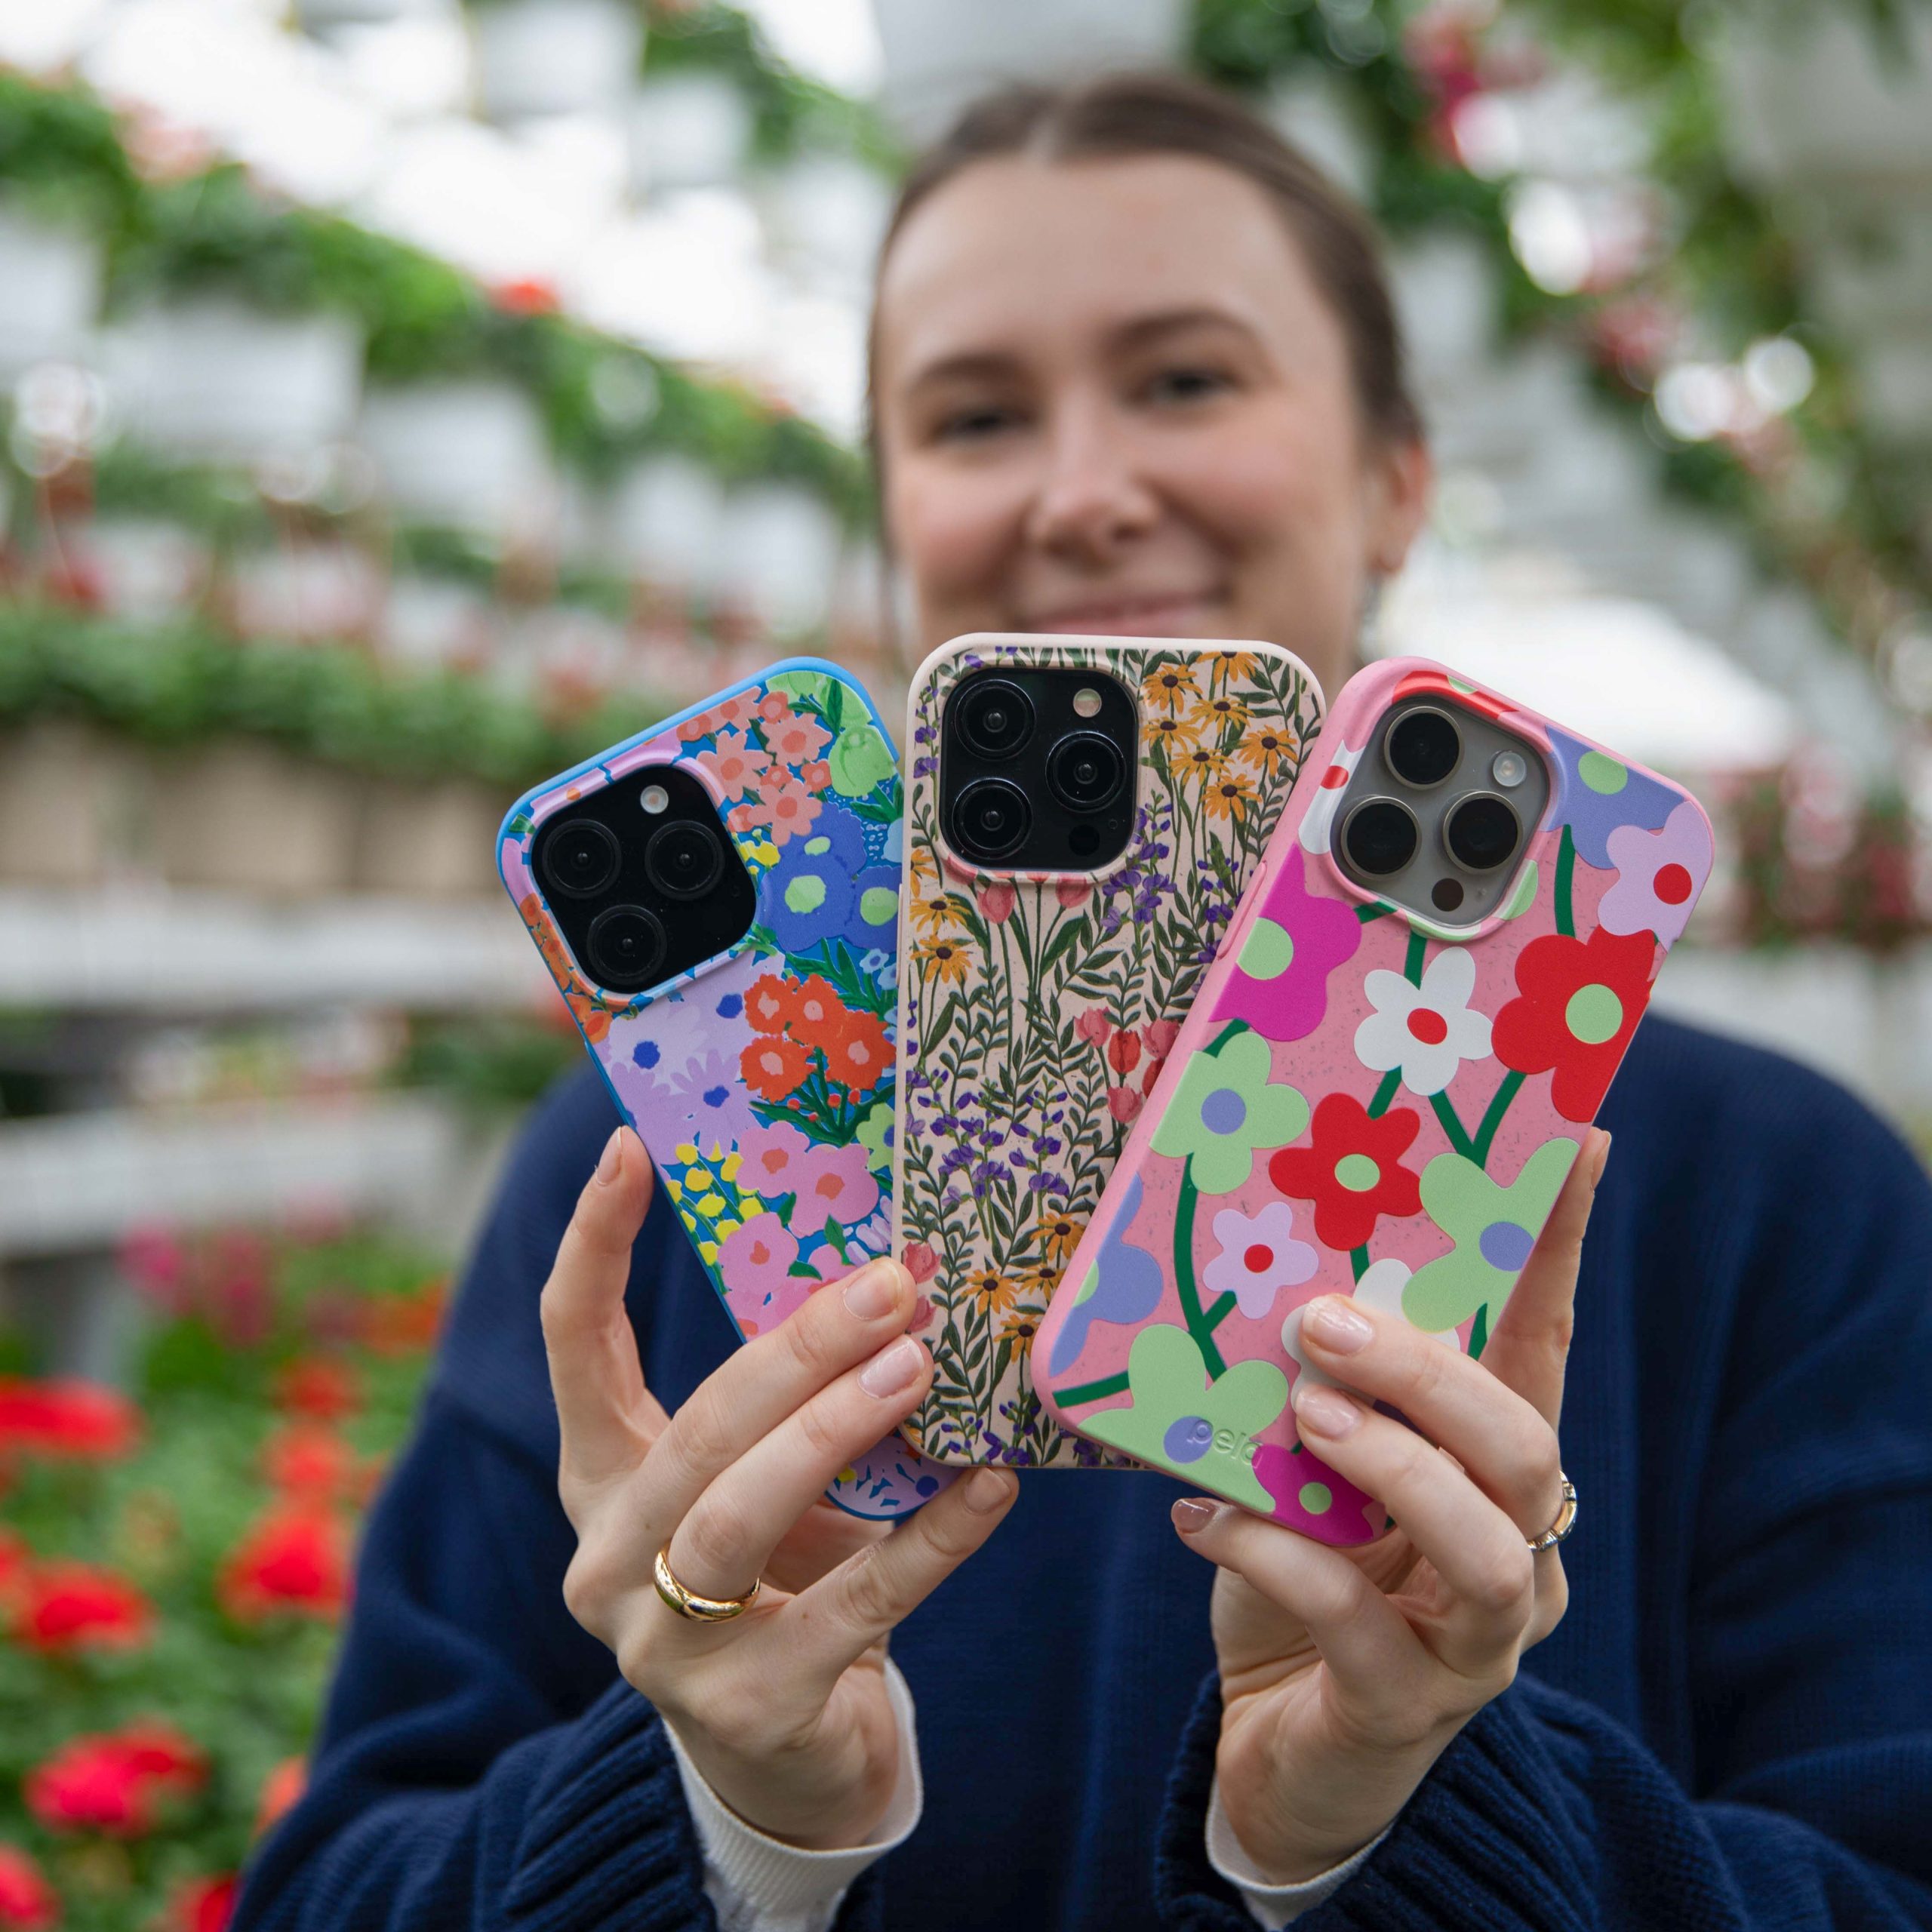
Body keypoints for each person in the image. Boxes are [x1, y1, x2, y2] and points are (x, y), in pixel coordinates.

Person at [234, 73, 1932, 1932]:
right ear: (892, 512)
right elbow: (336, 1882)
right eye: (973, 416)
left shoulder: (1780, 1196)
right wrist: (725, 1817)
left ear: (1395, 476)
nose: (1082, 493)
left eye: (1185, 380)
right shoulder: (660, 1155)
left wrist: (1385, 1820)